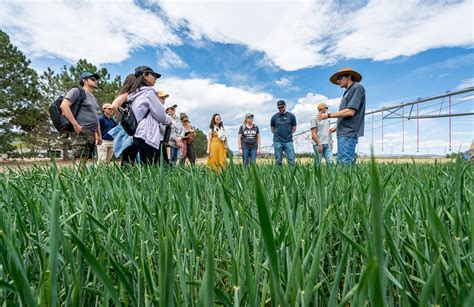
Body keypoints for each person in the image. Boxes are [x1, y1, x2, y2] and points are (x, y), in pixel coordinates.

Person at [318, 68, 365, 165]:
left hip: (349, 132)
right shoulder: (347, 92)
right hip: (343, 132)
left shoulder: (357, 87)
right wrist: (336, 127)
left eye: (340, 77)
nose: (337, 81)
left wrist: (328, 115)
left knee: (345, 164)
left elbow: (350, 111)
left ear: (349, 76)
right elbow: (345, 114)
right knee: (341, 163)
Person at [128, 65, 171, 165]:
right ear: (145, 75)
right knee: (156, 167)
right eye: (153, 75)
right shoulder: (149, 92)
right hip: (148, 134)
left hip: (138, 133)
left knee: (145, 166)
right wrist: (169, 120)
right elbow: (160, 115)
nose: (155, 78)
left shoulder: (135, 93)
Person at [60, 72, 102, 164]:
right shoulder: (77, 91)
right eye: (93, 79)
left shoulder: (94, 98)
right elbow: (64, 106)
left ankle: (81, 178)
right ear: (85, 81)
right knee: (79, 158)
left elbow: (96, 117)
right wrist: (76, 125)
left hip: (91, 132)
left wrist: (99, 135)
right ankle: (76, 178)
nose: (96, 81)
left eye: (96, 80)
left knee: (85, 159)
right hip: (80, 129)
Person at [108, 74, 139, 165]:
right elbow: (114, 106)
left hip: (132, 128)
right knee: (128, 156)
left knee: (131, 156)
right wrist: (125, 118)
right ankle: (125, 176)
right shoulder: (127, 94)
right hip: (128, 129)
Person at [270, 100, 297, 166]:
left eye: (282, 107)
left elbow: (294, 128)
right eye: (279, 108)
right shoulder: (274, 117)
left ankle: (291, 174)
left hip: (288, 141)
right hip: (277, 141)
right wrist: (277, 135)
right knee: (278, 160)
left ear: (285, 106)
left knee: (291, 159)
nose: (281, 109)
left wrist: (288, 134)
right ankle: (279, 175)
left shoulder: (291, 116)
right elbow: (272, 128)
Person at [157, 90, 171, 164]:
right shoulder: (158, 109)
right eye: (162, 98)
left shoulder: (161, 109)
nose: (164, 100)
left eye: (164, 98)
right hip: (156, 140)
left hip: (161, 140)